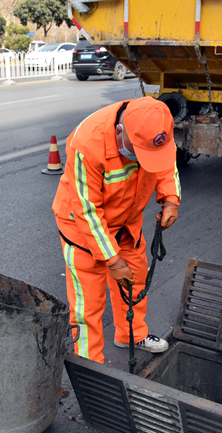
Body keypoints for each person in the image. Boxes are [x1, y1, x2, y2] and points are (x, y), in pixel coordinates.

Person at [52, 97, 181, 364]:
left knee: (135, 281)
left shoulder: (153, 125)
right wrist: (112, 260)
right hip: (83, 229)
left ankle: (131, 334)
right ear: (120, 132)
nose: (142, 160)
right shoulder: (87, 144)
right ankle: (90, 367)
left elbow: (165, 161)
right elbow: (87, 210)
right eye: (138, 153)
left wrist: (170, 199)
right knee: (88, 304)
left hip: (127, 222)